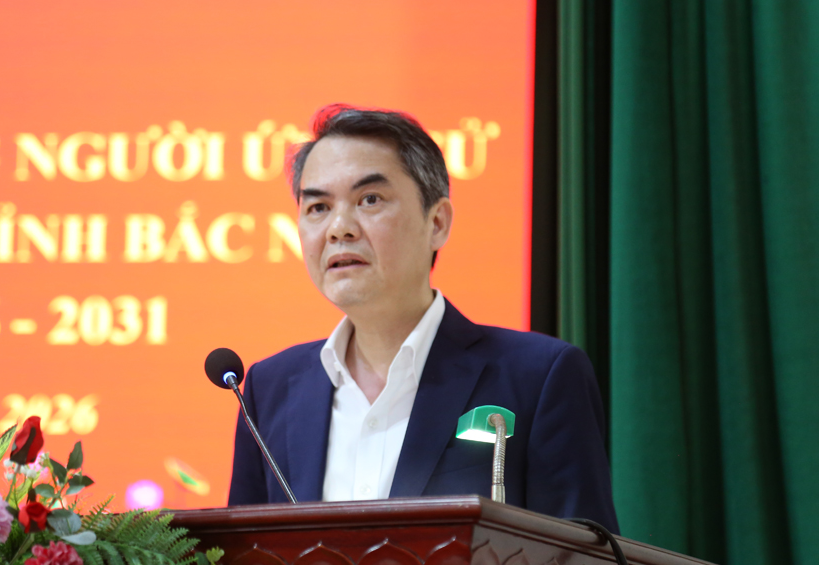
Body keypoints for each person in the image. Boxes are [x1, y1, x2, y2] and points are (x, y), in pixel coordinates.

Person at [227, 104, 619, 533]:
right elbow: (241, 564)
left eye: (369, 200)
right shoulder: (269, 390)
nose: (339, 228)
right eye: (318, 207)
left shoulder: (537, 377)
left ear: (437, 223)